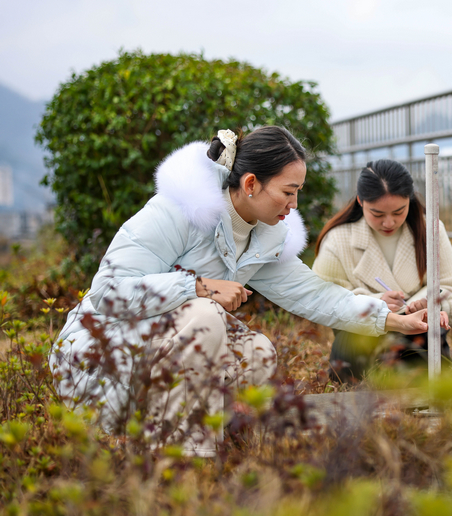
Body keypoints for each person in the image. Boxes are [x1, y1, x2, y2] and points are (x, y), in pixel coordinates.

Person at [50, 127, 429, 456]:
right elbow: (107, 292)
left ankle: (199, 437)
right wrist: (195, 286)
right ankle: (184, 459)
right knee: (205, 315)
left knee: (258, 354)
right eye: (289, 191)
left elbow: (314, 295)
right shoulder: (177, 211)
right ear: (250, 184)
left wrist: (390, 319)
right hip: (96, 358)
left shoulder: (264, 234)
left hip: (151, 353)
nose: (294, 204)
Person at [312, 159, 452, 381]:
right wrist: (375, 303)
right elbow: (323, 300)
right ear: (360, 201)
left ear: (410, 199)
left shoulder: (430, 229)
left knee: (423, 357)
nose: (389, 222)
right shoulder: (338, 240)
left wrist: (427, 302)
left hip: (420, 338)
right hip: (361, 342)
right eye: (377, 214)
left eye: (399, 211)